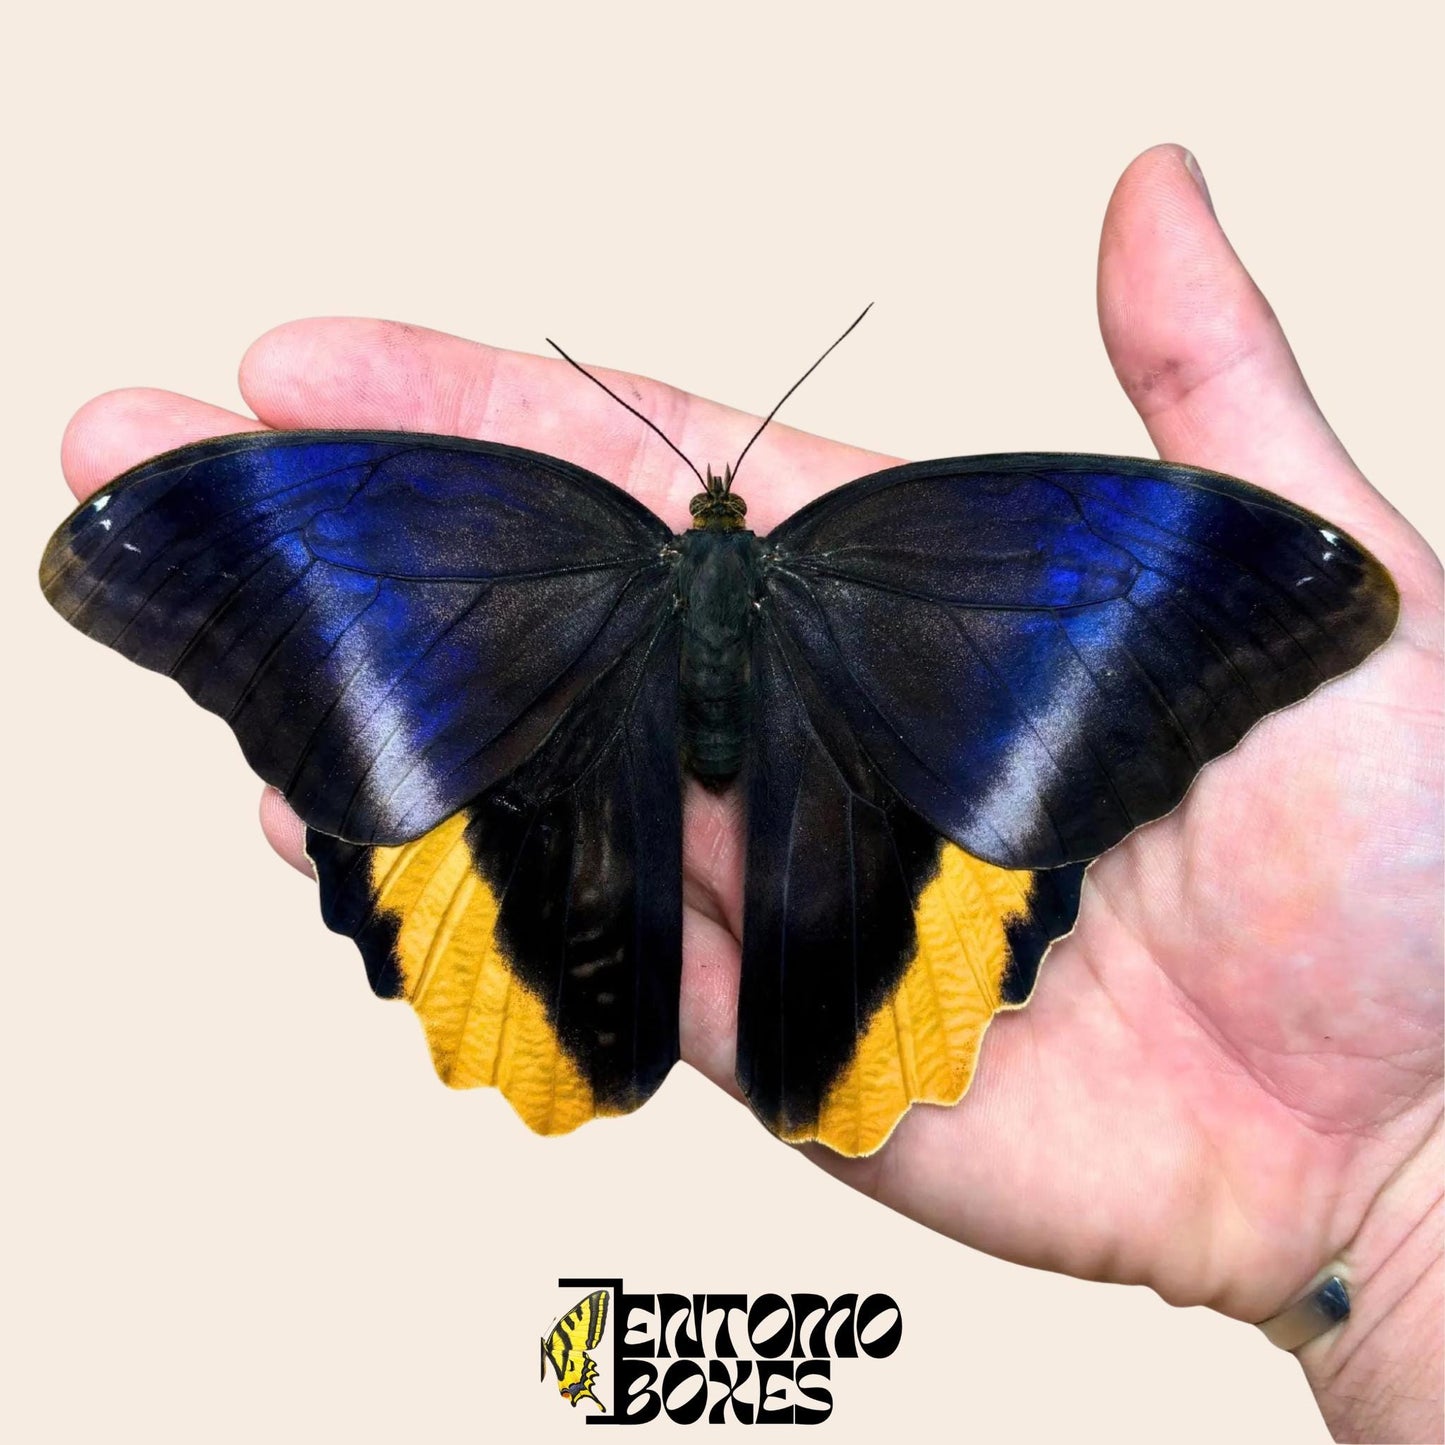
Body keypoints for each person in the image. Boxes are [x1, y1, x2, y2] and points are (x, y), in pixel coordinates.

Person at [58, 144, 1442, 1442]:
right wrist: (1392, 1234)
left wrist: (1397, 1207)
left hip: (573, 802)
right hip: (876, 817)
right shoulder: (881, 556)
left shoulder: (563, 542)